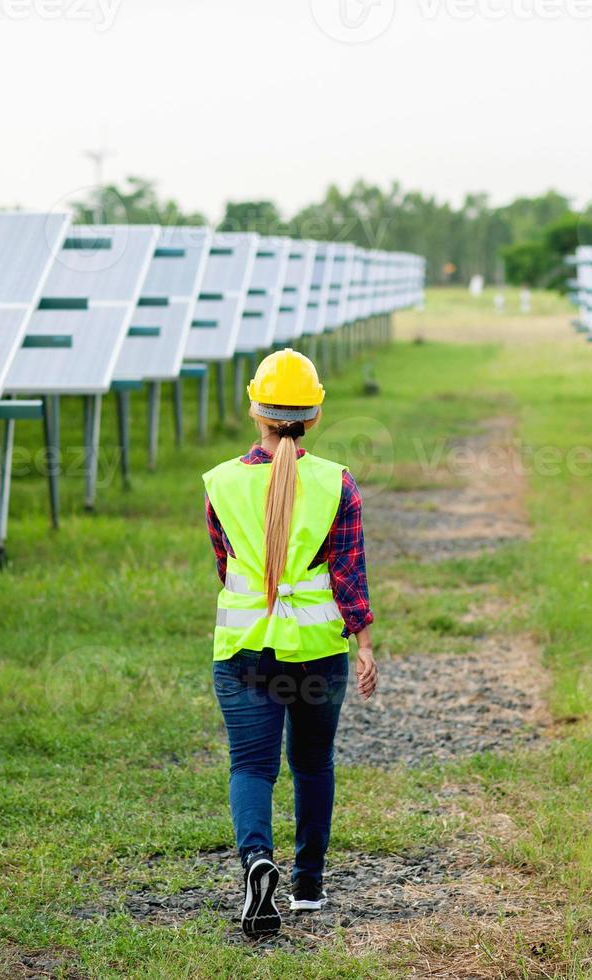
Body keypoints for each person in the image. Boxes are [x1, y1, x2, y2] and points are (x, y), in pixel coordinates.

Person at [202, 347, 378, 938]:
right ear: (315, 416)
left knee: (251, 767)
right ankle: (307, 885)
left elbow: (226, 569)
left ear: (255, 410)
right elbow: (349, 577)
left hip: (245, 652)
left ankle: (257, 862)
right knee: (311, 764)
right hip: (317, 655)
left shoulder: (221, 485)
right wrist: (367, 645)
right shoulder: (337, 485)